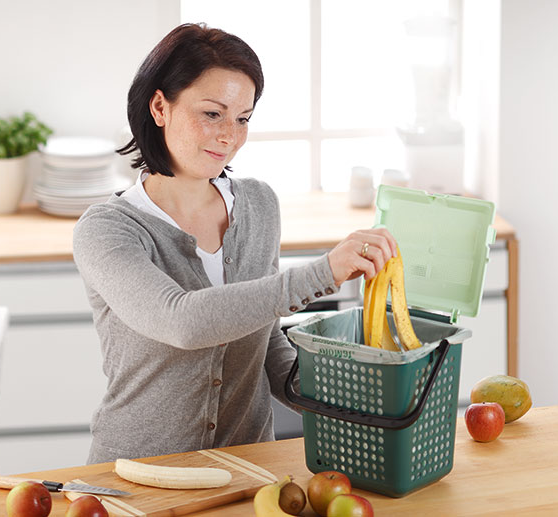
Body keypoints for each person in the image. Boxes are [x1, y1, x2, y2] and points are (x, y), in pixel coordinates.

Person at [73, 23, 397, 463]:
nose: (230, 135)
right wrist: (324, 272)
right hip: (137, 476)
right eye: (212, 113)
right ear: (159, 107)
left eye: (243, 118)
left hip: (249, 473)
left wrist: (363, 399)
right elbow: (182, 322)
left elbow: (266, 348)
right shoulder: (107, 230)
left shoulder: (259, 205)